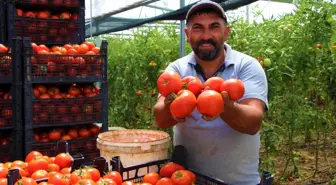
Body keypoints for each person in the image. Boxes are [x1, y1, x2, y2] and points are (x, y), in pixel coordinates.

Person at [153, 0, 268, 185]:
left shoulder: (247, 66)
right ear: (187, 34)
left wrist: (221, 105)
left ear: (226, 32)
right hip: (187, 178)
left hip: (238, 180)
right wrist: (173, 106)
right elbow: (160, 119)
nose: (206, 36)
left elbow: (253, 123)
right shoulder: (176, 70)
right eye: (198, 28)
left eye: (214, 27)